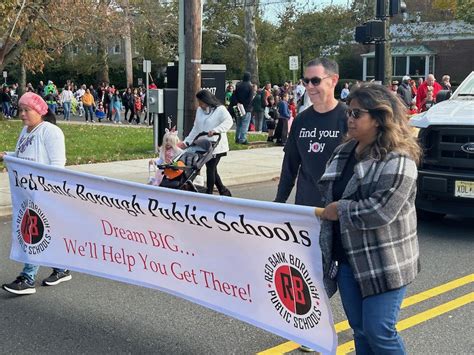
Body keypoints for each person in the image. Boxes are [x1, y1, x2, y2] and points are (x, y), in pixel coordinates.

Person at [318, 83, 422, 354]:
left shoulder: (398, 160)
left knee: (380, 331)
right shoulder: (342, 153)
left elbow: (381, 211)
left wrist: (339, 210)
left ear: (378, 119)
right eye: (349, 113)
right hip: (346, 260)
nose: (349, 119)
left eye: (356, 114)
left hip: (384, 261)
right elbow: (325, 194)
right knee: (361, 330)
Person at [0, 92, 72, 295]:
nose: (22, 114)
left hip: (44, 193)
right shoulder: (25, 131)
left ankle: (27, 277)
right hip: (26, 193)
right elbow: (24, 156)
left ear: (39, 111)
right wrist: (7, 156)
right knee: (46, 233)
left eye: (26, 110)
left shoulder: (51, 132)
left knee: (34, 233)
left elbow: (58, 165)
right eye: (20, 110)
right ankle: (61, 268)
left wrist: (48, 191)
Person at [274, 57, 347, 207]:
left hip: (339, 209)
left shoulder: (349, 118)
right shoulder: (301, 120)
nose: (309, 86)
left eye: (315, 81)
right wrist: (279, 201)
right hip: (306, 207)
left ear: (333, 80)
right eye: (306, 81)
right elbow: (290, 165)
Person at [179, 89, 233, 196]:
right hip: (204, 145)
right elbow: (196, 128)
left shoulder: (220, 110)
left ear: (207, 100)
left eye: (201, 102)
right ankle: (223, 190)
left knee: (210, 167)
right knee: (213, 169)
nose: (200, 104)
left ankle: (209, 193)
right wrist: (187, 142)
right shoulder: (200, 110)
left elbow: (229, 122)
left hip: (216, 146)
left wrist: (216, 130)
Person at [233, 72, 253, 144]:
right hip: (246, 108)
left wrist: (238, 102)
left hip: (238, 106)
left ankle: (237, 138)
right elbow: (250, 98)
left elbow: (234, 95)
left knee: (239, 124)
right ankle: (243, 139)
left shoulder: (238, 85)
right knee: (245, 124)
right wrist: (246, 105)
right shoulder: (250, 87)